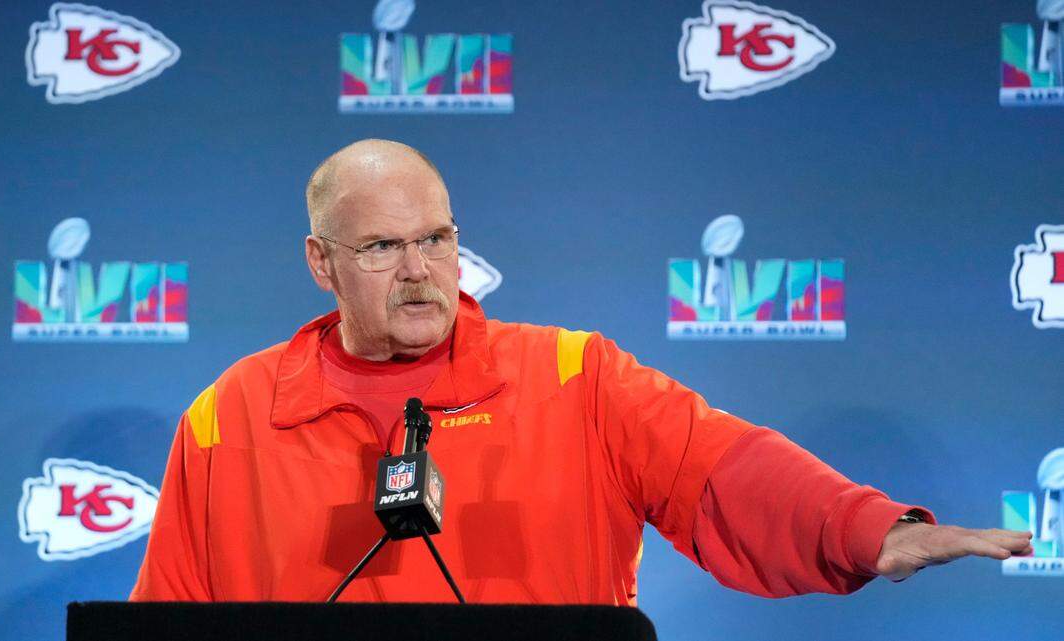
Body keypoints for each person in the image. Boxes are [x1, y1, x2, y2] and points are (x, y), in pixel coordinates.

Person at [129, 139, 1032, 603]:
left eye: (437, 238)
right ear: (321, 263)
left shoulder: (572, 376)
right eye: (382, 245)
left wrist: (869, 527)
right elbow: (167, 615)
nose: (420, 268)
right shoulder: (232, 414)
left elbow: (723, 470)